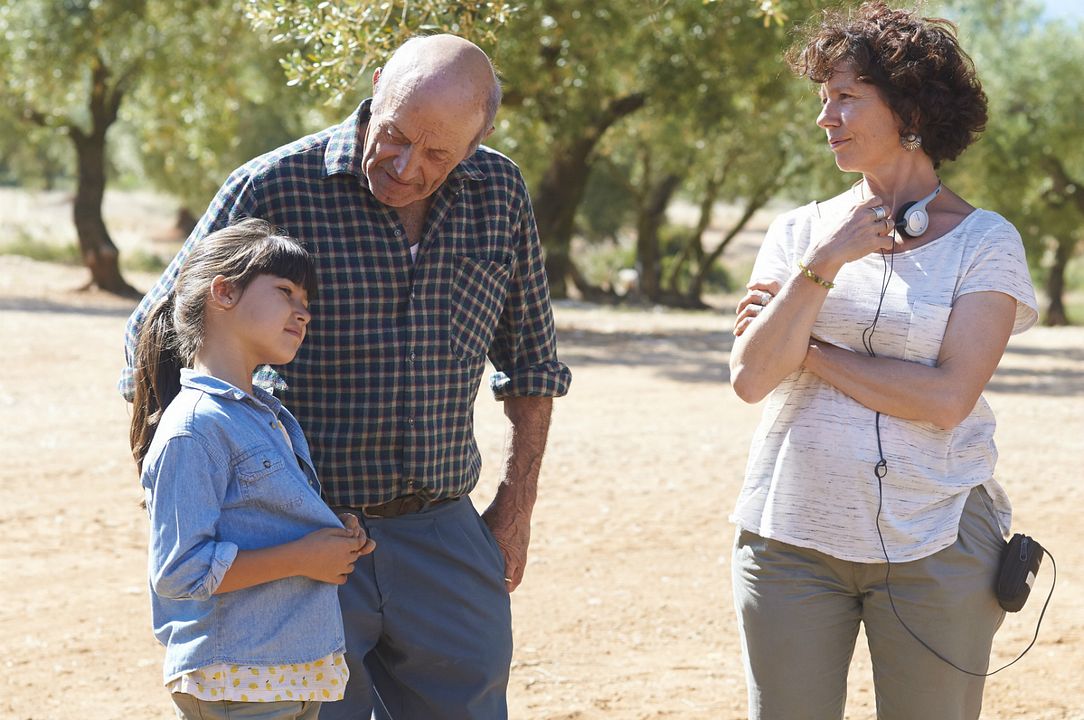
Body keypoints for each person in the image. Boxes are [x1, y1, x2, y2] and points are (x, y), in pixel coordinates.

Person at [122, 35, 571, 720]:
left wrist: (516, 507)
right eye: (394, 135)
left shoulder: (500, 192)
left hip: (446, 537)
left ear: (477, 141)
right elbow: (153, 333)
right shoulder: (273, 185)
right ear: (377, 81)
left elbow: (533, 362)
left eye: (437, 154)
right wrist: (190, 480)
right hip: (304, 540)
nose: (404, 165)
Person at [727, 4, 1038, 719]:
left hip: (936, 541)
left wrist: (805, 349)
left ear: (909, 108)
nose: (824, 117)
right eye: (822, 98)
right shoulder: (799, 233)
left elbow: (945, 400)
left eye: (845, 97)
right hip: (788, 542)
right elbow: (749, 378)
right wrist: (827, 260)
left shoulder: (987, 244)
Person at [131, 218, 376, 720]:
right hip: (238, 680)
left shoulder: (262, 413)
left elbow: (262, 521)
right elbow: (180, 570)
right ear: (223, 292)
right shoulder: (195, 427)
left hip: (285, 673)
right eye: (286, 290)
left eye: (306, 300)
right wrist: (303, 557)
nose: (303, 312)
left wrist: (329, 536)